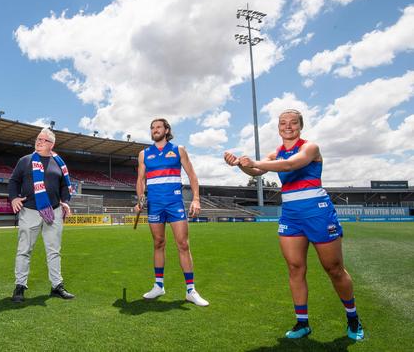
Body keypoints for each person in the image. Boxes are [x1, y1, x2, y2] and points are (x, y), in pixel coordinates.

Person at [223, 108, 364, 340]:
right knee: (295, 268)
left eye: (293, 122)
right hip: (290, 214)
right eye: (283, 123)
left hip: (317, 213)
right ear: (278, 127)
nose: (287, 126)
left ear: (300, 125)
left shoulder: (310, 148)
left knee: (334, 269)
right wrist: (238, 164)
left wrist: (253, 162)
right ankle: (302, 323)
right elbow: (256, 171)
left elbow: (290, 165)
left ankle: (353, 318)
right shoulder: (275, 153)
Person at [135, 118, 209, 306]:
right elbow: (140, 179)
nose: (155, 130)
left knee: (183, 244)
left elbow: (192, 175)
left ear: (167, 130)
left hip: (174, 202)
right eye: (152, 128)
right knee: (158, 243)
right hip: (155, 205)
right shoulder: (144, 154)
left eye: (158, 127)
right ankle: (158, 286)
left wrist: (196, 199)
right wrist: (140, 198)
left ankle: (190, 290)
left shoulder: (178, 150)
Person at [8, 128, 75, 302]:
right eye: (38, 139)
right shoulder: (25, 160)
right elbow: (14, 181)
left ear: (52, 144)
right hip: (30, 211)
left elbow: (64, 187)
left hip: (54, 211)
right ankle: (20, 287)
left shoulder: (59, 163)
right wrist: (14, 197)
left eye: (43, 140)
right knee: (24, 250)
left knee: (54, 251)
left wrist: (65, 201)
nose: (39, 142)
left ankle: (56, 286)